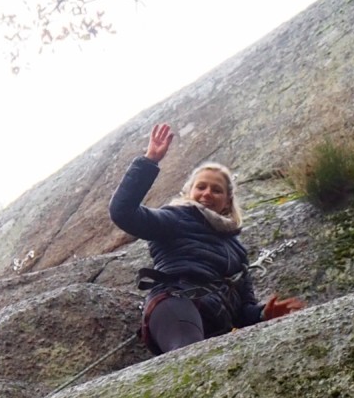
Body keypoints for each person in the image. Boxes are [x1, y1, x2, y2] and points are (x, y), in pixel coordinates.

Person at [109, 122, 304, 355]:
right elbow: (123, 213)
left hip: (217, 323)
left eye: (216, 190)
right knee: (191, 356)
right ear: (189, 193)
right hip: (176, 304)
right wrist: (149, 160)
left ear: (227, 202)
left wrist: (264, 314)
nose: (207, 193)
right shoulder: (176, 217)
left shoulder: (237, 250)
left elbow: (243, 312)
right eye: (201, 187)